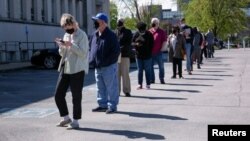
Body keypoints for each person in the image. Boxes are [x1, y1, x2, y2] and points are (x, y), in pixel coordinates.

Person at [54, 13, 89, 129]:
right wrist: (61, 47)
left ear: (73, 24)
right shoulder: (66, 35)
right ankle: (65, 117)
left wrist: (71, 45)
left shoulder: (82, 35)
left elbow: (83, 53)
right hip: (65, 68)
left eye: (68, 27)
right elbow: (62, 53)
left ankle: (75, 121)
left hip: (77, 69)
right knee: (58, 94)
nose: (66, 30)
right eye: (64, 28)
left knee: (76, 96)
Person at [89, 13, 120, 114]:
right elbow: (91, 48)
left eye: (96, 21)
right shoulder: (94, 34)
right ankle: (102, 105)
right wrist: (92, 60)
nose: (94, 23)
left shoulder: (111, 35)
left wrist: (107, 62)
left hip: (108, 67)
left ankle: (112, 106)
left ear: (103, 23)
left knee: (111, 87)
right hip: (98, 67)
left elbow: (116, 52)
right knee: (100, 87)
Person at [132, 22, 154, 89]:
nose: (141, 32)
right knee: (140, 70)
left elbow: (152, 44)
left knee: (148, 70)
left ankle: (148, 84)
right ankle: (140, 84)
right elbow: (132, 42)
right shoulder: (136, 34)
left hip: (147, 56)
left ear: (145, 29)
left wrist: (147, 49)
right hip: (138, 56)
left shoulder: (149, 34)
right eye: (140, 30)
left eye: (143, 30)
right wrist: (136, 45)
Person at [116, 19, 133, 97]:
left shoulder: (128, 32)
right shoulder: (115, 32)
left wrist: (120, 49)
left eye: (120, 23)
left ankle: (126, 90)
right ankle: (117, 91)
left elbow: (128, 43)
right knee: (116, 74)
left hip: (124, 55)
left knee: (125, 73)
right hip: (116, 56)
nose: (118, 25)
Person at [149, 18, 167, 84]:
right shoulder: (149, 31)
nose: (155, 23)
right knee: (150, 67)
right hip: (150, 52)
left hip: (159, 52)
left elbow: (164, 41)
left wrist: (162, 49)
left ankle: (161, 78)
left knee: (161, 66)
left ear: (158, 23)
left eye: (156, 22)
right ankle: (152, 79)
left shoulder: (161, 31)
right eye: (153, 22)